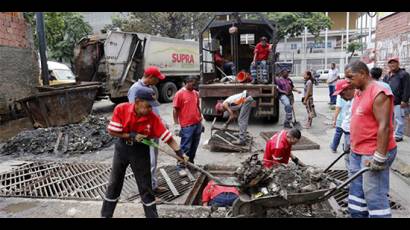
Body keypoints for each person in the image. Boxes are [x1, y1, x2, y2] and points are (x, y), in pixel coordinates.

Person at [101, 97, 189, 218]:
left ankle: (152, 216)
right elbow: (112, 131)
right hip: (122, 149)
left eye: (151, 106)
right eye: (147, 106)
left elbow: (168, 138)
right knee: (114, 183)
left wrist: (180, 154)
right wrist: (131, 135)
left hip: (140, 151)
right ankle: (106, 215)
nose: (150, 109)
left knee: (145, 186)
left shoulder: (152, 117)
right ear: (137, 102)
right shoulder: (121, 108)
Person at [346, 60, 397, 218]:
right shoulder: (358, 90)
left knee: (374, 195)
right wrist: (352, 143)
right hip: (357, 150)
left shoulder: (379, 93)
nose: (348, 81)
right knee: (356, 191)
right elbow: (360, 119)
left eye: (351, 77)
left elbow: (385, 126)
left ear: (362, 74)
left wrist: (380, 156)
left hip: (373, 152)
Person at [127, 66, 168, 194]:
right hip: (143, 131)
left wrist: (161, 121)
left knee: (153, 159)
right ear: (150, 77)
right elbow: (134, 111)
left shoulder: (149, 88)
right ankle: (147, 191)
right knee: (147, 161)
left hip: (153, 129)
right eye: (157, 78)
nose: (159, 81)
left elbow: (153, 109)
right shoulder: (136, 89)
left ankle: (153, 186)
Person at [173, 76, 203, 177]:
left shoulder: (195, 93)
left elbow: (198, 107)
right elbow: (175, 110)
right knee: (185, 147)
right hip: (187, 126)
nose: (195, 85)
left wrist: (201, 121)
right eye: (193, 83)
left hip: (197, 124)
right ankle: (181, 166)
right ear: (187, 82)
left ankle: (190, 164)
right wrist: (176, 125)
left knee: (194, 146)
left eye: (195, 83)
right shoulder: (179, 94)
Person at [382, 56, 410, 142]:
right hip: (388, 101)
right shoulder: (387, 75)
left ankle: (398, 135)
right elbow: (384, 87)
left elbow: (407, 88)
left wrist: (404, 100)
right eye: (390, 63)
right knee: (389, 119)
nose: (392, 64)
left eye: (394, 62)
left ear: (398, 63)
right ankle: (390, 134)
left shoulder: (404, 74)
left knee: (399, 119)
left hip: (399, 102)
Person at [332, 79, 356, 174]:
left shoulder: (356, 100)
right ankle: (351, 181)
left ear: (349, 89)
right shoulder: (351, 100)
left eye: (342, 94)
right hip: (347, 133)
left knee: (352, 161)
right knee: (348, 158)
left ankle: (353, 184)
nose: (341, 97)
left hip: (352, 134)